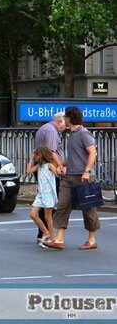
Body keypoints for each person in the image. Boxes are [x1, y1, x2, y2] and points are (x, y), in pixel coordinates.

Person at [45, 106, 100, 250]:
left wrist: (87, 171)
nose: (64, 120)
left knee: (88, 209)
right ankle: (59, 239)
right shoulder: (71, 134)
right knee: (63, 205)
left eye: (65, 117)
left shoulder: (84, 133)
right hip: (69, 176)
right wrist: (61, 165)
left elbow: (92, 153)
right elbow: (72, 156)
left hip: (83, 177)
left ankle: (92, 240)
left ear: (69, 118)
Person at [33, 112, 66, 243]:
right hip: (49, 169)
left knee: (44, 199)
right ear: (60, 122)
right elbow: (52, 152)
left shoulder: (45, 127)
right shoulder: (52, 131)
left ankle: (43, 233)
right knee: (49, 202)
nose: (66, 126)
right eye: (65, 123)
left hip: (42, 167)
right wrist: (60, 166)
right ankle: (47, 234)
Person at [26, 145, 59, 246]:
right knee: (32, 214)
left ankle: (53, 239)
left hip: (48, 193)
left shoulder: (49, 165)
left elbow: (57, 174)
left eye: (37, 155)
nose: (36, 157)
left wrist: (59, 170)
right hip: (41, 193)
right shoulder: (39, 165)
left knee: (48, 216)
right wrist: (31, 158)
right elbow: (28, 171)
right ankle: (46, 232)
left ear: (42, 155)